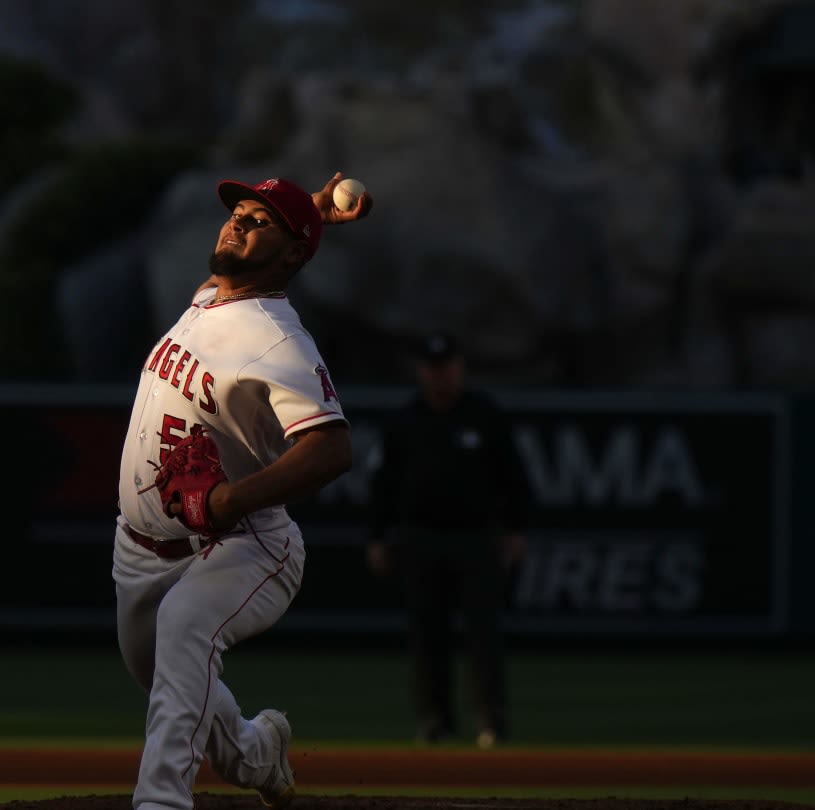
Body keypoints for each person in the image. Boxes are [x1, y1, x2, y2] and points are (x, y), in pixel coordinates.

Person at [112, 172, 373, 810]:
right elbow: (255, 252)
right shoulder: (210, 300)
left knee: (183, 634)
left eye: (259, 222)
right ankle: (259, 753)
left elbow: (332, 448)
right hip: (141, 546)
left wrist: (230, 501)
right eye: (240, 212)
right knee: (173, 678)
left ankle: (160, 802)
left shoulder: (277, 340)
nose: (237, 222)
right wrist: (301, 211)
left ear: (290, 256)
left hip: (242, 543)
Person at [365, 330, 528, 748]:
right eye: (432, 369)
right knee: (426, 636)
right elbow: (383, 484)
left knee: (484, 635)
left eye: (447, 367)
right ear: (422, 371)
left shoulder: (484, 414)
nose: (440, 377)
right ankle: (434, 723)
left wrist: (515, 529)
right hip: (421, 540)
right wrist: (378, 536)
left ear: (460, 368)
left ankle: (492, 723)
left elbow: (514, 478)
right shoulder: (405, 419)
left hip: (476, 539)